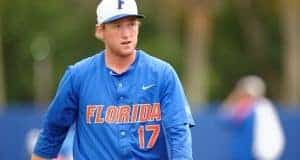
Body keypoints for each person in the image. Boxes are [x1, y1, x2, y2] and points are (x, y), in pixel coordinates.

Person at [31, 0, 195, 159]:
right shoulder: (78, 76)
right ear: (100, 31)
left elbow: (178, 133)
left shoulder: (162, 74)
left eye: (131, 24)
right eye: (117, 26)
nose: (126, 34)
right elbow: (52, 132)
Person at [221, 75, 285, 160]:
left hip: (250, 155)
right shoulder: (265, 107)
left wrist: (233, 97)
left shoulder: (248, 109)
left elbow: (224, 117)